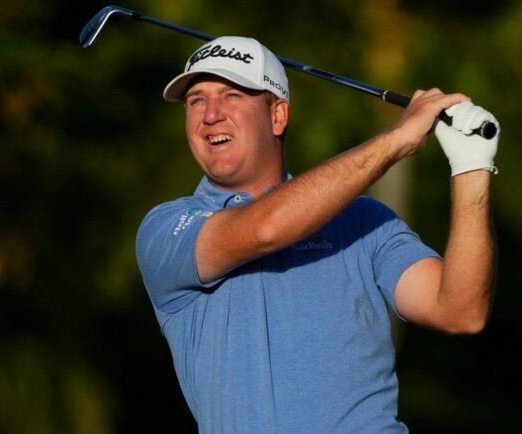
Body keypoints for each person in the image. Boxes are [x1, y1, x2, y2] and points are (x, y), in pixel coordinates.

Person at [136, 36, 499, 433]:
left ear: (278, 116)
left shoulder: (364, 221)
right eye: (196, 101)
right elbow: (265, 228)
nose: (211, 115)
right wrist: (396, 141)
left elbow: (460, 310)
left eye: (233, 95)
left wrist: (472, 168)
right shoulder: (168, 227)